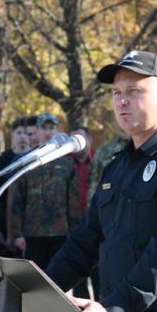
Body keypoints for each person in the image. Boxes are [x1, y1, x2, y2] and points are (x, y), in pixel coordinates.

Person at [0, 50, 157, 312]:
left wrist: (112, 309)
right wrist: (29, 293)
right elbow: (84, 241)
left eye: (135, 91)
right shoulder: (120, 165)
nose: (122, 100)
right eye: (116, 92)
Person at [9, 112, 79, 312]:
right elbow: (16, 201)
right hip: (32, 234)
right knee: (31, 285)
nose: (48, 132)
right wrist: (16, 233)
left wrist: (75, 233)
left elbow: (73, 201)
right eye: (44, 128)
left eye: (52, 128)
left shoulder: (67, 164)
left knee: (53, 285)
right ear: (36, 131)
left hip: (60, 234)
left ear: (58, 130)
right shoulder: (27, 160)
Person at [69, 126, 99, 301]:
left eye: (79, 139)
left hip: (96, 224)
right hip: (73, 225)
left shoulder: (98, 160)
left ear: (89, 141)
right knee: (77, 276)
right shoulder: (65, 163)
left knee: (99, 275)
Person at [0, 117, 29, 257]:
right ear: (12, 134)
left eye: (27, 133)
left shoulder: (37, 158)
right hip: (5, 226)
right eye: (19, 133)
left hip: (31, 227)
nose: (23, 137)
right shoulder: (1, 162)